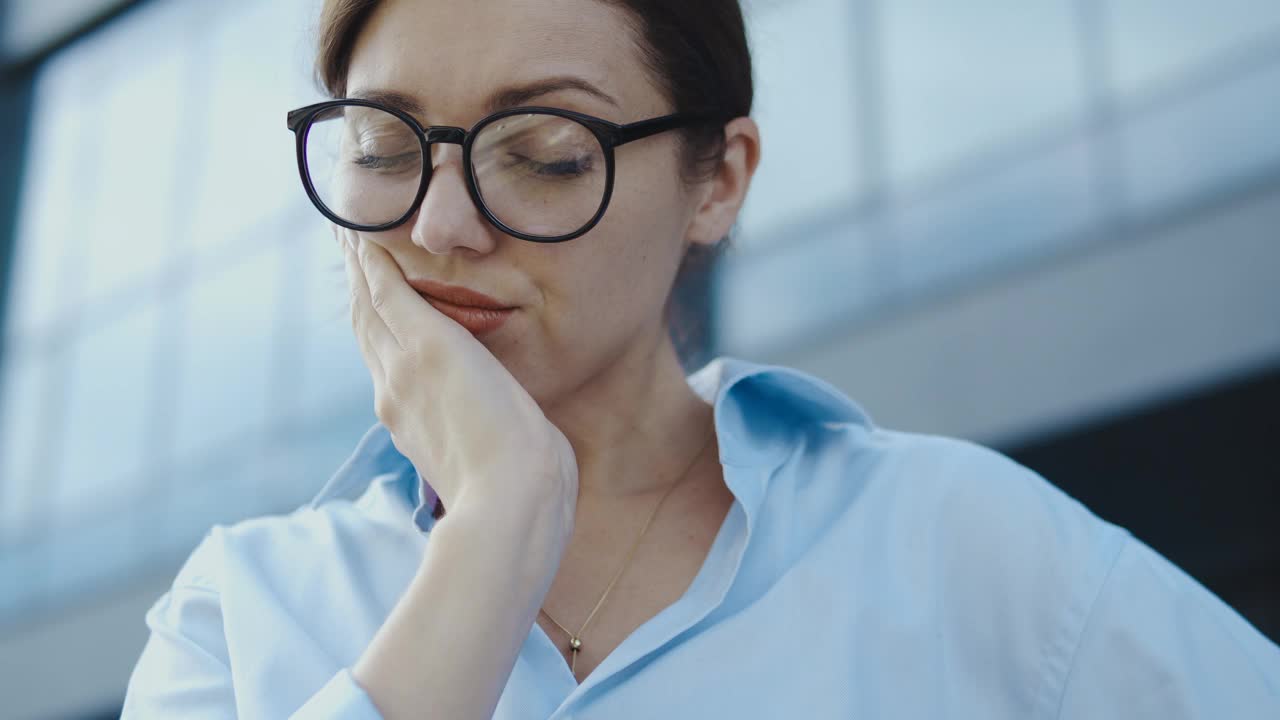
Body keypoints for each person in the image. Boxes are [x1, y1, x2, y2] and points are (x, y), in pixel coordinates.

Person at [121, 0, 1280, 717]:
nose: (439, 227)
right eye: (383, 147)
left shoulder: (959, 546)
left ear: (716, 181)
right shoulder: (240, 611)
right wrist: (495, 528)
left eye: (543, 153)